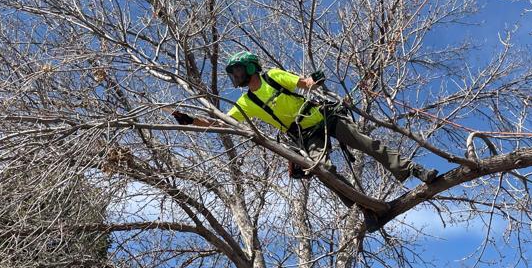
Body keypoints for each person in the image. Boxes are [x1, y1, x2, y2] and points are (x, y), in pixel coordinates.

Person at [172, 51, 438, 184]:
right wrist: (192, 121)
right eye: (233, 73)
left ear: (250, 68)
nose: (235, 77)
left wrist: (315, 79)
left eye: (237, 71)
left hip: (324, 117)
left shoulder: (272, 77)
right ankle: (358, 204)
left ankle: (414, 170)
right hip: (305, 135)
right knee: (322, 169)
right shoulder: (246, 102)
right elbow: (223, 123)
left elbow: (304, 83)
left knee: (368, 144)